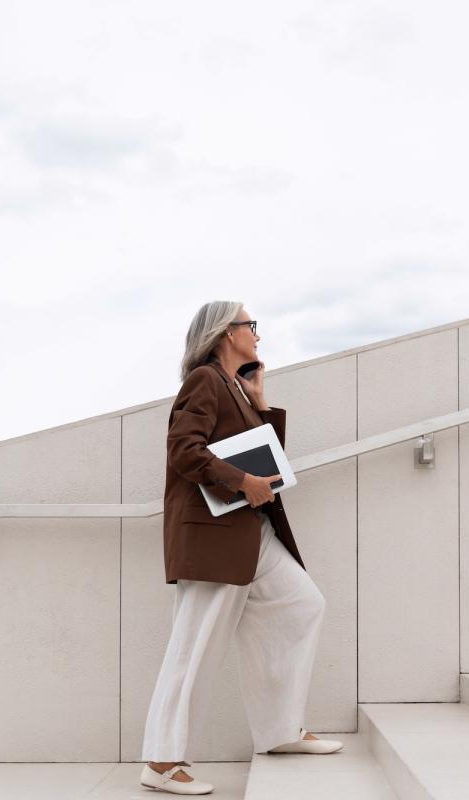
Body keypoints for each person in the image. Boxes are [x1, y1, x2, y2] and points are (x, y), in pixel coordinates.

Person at [139, 301, 342, 796]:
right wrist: (241, 481)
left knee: (301, 605)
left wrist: (258, 400)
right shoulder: (204, 381)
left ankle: (280, 730)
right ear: (226, 333)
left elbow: (266, 458)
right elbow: (184, 449)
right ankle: (161, 762)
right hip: (216, 535)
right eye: (251, 325)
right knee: (194, 647)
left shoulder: (233, 387)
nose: (257, 334)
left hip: (250, 528)